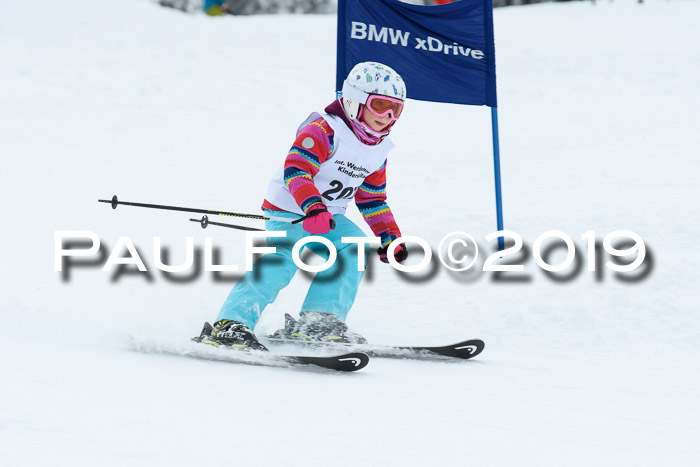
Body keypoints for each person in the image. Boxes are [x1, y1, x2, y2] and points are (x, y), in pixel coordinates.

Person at [197, 62, 409, 350]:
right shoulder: (324, 128)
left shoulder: (378, 149)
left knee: (354, 245)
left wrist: (389, 236)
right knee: (283, 258)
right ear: (354, 100)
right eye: (380, 105)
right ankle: (231, 323)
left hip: (329, 216)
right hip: (291, 210)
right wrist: (312, 207)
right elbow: (297, 170)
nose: (387, 116)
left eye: (395, 109)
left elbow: (372, 198)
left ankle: (319, 321)